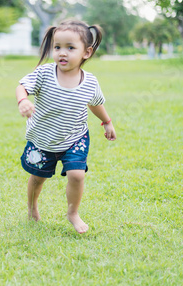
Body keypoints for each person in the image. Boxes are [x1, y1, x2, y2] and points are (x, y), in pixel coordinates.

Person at [16, 20, 116, 234]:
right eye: (57, 47)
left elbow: (95, 103)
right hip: (42, 140)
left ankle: (73, 212)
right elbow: (22, 86)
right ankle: (32, 208)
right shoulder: (44, 73)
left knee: (77, 174)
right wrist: (23, 100)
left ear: (86, 52)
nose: (62, 53)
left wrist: (107, 122)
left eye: (70, 48)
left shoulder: (89, 81)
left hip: (75, 137)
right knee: (38, 178)